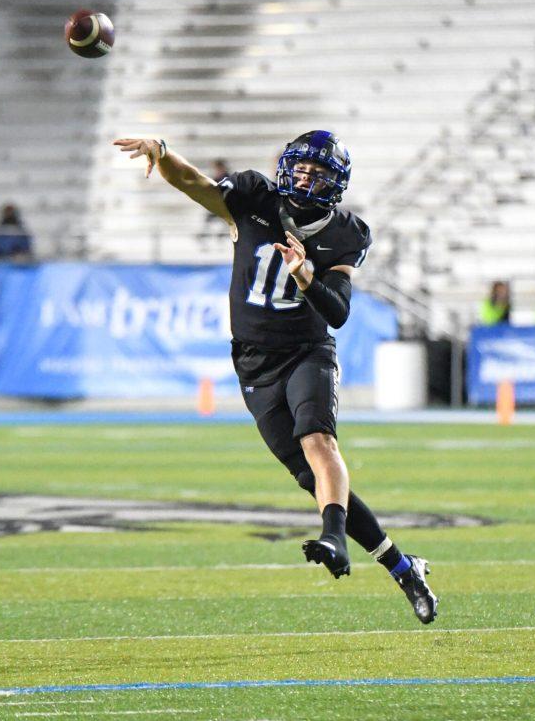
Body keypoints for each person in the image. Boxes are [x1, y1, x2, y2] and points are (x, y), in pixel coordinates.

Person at [112, 131, 438, 624]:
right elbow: (195, 184)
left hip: (307, 351)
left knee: (320, 443)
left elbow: (339, 312)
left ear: (337, 183)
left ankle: (333, 536)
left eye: (318, 173)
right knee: (313, 477)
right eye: (301, 169)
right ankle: (401, 566)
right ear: (287, 167)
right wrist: (162, 151)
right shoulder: (253, 196)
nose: (306, 178)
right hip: (253, 363)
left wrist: (307, 277)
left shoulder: (347, 233)